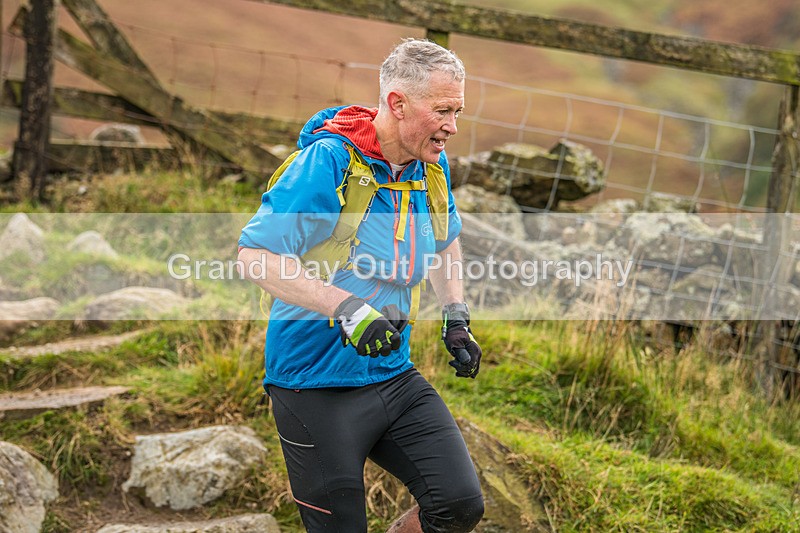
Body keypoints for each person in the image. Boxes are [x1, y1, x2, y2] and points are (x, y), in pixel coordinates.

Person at [237, 38, 484, 533]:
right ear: (397, 103)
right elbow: (256, 257)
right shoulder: (326, 163)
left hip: (393, 375)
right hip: (312, 384)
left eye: (457, 111)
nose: (452, 127)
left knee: (458, 504)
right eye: (442, 110)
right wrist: (346, 307)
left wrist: (455, 314)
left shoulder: (429, 167)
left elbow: (444, 241)